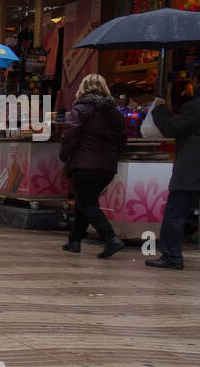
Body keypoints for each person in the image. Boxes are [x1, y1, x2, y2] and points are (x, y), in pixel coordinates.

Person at [58, 73, 128, 257]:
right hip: (107, 167)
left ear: (83, 88)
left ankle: (111, 238)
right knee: (85, 202)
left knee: (87, 203)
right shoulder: (116, 113)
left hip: (85, 164)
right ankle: (74, 241)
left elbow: (70, 136)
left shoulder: (81, 109)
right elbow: (122, 139)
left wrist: (64, 155)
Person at [144, 87, 200, 270]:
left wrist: (160, 109)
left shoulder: (195, 107)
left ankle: (172, 256)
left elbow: (172, 128)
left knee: (174, 213)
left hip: (191, 169)